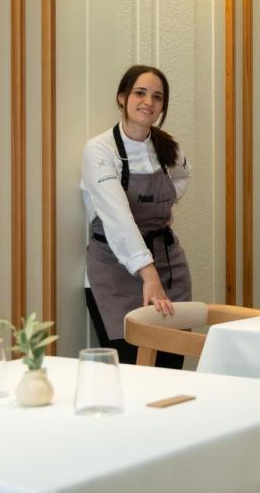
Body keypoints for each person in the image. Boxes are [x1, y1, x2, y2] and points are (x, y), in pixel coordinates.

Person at [81, 65, 192, 367]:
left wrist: (164, 209)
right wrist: (148, 274)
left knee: (170, 368)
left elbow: (182, 176)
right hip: (115, 272)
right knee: (133, 372)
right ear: (122, 98)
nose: (149, 102)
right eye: (140, 93)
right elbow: (118, 218)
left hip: (169, 267)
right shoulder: (99, 151)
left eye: (157, 97)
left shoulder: (168, 148)